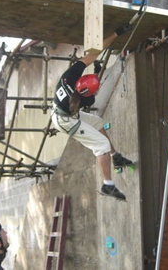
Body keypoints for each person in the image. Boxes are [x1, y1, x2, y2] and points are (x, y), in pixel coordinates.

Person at [51, 23, 133, 200]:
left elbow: (93, 54)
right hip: (66, 122)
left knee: (97, 122)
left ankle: (115, 156)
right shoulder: (88, 99)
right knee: (101, 145)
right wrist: (115, 33)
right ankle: (107, 185)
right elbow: (94, 58)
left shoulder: (68, 78)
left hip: (63, 113)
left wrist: (115, 34)